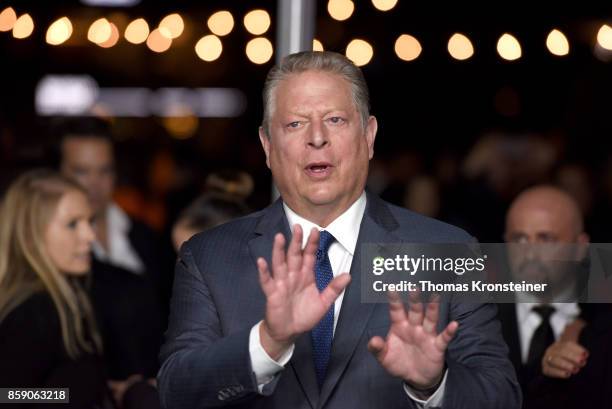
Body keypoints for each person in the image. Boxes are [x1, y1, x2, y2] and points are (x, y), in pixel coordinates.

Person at [158, 51, 520, 409]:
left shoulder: (448, 251)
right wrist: (268, 342)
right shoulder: (208, 257)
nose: (317, 138)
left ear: (369, 136)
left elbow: (501, 396)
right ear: (267, 146)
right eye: (295, 124)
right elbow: (175, 391)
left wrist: (433, 383)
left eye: (335, 120)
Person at [52, 117, 163, 405]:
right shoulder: (45, 263)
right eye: (81, 171)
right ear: (55, 175)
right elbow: (14, 394)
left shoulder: (150, 240)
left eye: (104, 171)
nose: (94, 184)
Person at [0, 169, 108, 408]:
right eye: (72, 224)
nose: (89, 235)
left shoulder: (67, 296)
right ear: (30, 234)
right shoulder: (34, 310)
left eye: (89, 221)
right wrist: (67, 395)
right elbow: (8, 394)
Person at [498, 185, 590, 408]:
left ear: (580, 248)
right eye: (519, 239)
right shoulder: (472, 317)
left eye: (546, 239)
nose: (529, 254)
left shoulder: (601, 320)